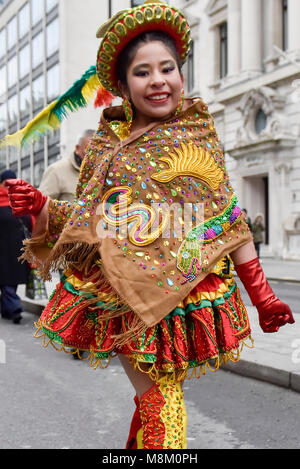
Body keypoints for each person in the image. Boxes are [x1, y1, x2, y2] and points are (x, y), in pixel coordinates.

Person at [3, 1, 294, 449]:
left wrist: (263, 295)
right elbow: (92, 223)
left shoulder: (199, 132)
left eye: (168, 68)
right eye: (143, 72)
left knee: (157, 403)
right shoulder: (107, 145)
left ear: (181, 73)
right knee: (163, 405)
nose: (158, 80)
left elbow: (229, 219)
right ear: (122, 84)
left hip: (186, 299)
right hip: (125, 298)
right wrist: (39, 204)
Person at [0, 170, 32, 324]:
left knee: (9, 282)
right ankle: (12, 308)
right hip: (10, 250)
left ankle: (9, 309)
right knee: (7, 282)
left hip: (14, 250)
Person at [39, 129, 95, 203]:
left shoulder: (107, 173)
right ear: (77, 148)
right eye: (88, 149)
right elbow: (41, 206)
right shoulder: (56, 171)